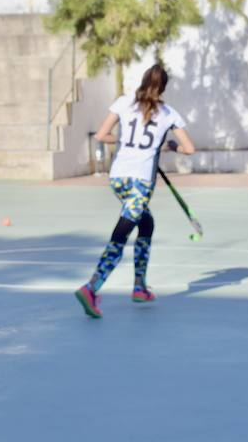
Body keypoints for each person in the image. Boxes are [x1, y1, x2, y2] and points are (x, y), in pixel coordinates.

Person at [75, 64, 194, 318]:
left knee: (146, 224)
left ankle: (139, 286)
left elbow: (101, 135)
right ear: (163, 87)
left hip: (118, 178)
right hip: (141, 182)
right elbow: (189, 148)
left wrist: (123, 141)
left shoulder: (123, 102)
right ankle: (91, 287)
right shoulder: (169, 113)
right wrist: (168, 145)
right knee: (121, 235)